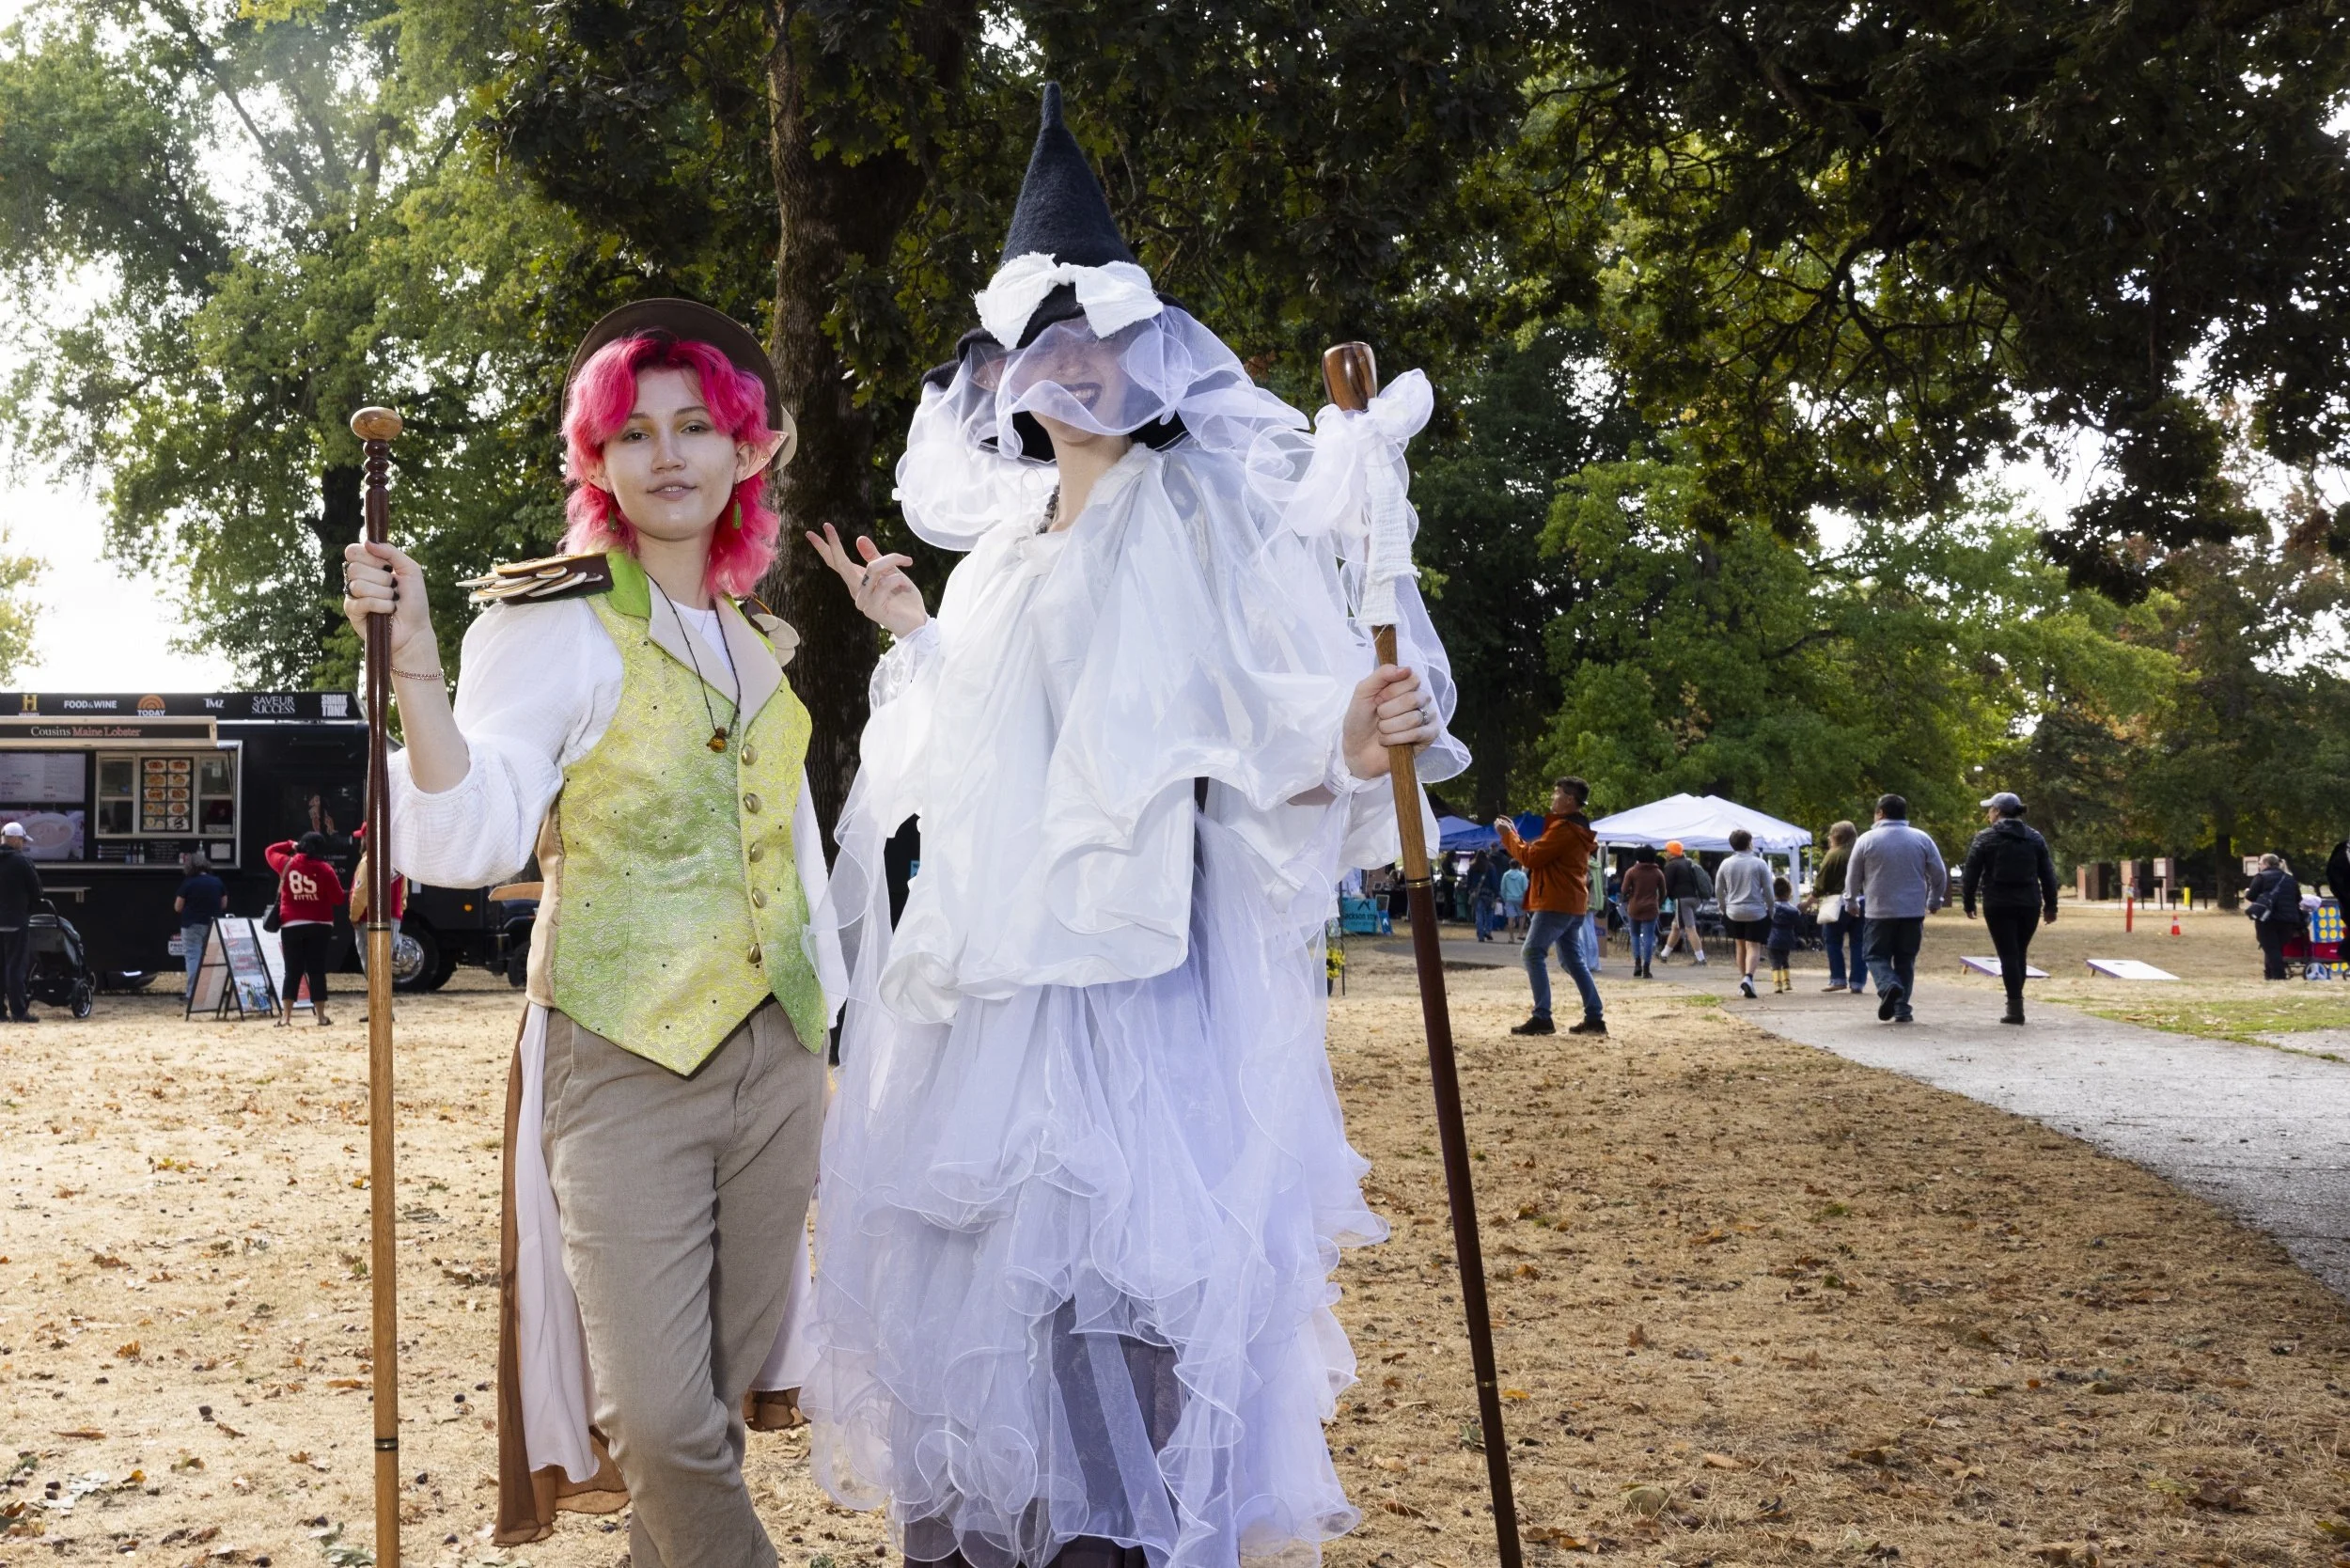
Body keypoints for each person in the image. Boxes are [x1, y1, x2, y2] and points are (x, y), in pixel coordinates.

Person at [798, 84, 1461, 1568]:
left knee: (1123, 1302)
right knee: (992, 1312)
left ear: (1146, 353)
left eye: (1094, 337)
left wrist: (1353, 731)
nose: (1069, 366)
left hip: (1134, 996)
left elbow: (1251, 703)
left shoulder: (1195, 506)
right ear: (1006, 374)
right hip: (989, 1001)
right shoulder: (1002, 562)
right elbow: (973, 753)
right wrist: (913, 629)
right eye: (1043, 344)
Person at [347, 297, 841, 1558]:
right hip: (619, 1061)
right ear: (596, 461)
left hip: (780, 1062)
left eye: (696, 426)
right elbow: (477, 832)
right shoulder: (551, 618)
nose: (667, 454)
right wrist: (415, 667)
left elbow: (800, 870)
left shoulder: (763, 643)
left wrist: (834, 1023)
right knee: (664, 1426)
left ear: (753, 449)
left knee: (709, 1425)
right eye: (632, 433)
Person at [1495, 776, 1605, 1036]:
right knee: (1572, 960)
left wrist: (1507, 836)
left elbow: (1531, 858)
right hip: (1573, 901)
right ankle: (1594, 1017)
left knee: (1532, 953)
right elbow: (1540, 853)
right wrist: (1514, 835)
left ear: (1569, 799)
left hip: (1555, 901)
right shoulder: (1577, 830)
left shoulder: (1564, 829)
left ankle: (1543, 1016)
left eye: (1556, 793)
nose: (1552, 798)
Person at [1845, 793, 1947, 1023]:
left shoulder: (1867, 840)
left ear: (1881, 813)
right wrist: (1934, 899)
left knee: (1873, 954)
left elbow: (1853, 875)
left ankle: (1888, 985)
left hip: (1879, 910)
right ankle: (1902, 1009)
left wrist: (1851, 901)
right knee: (1905, 959)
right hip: (1912, 910)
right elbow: (1939, 872)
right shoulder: (1921, 838)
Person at [1960, 791, 2060, 1024]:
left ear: (1996, 812)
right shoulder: (2035, 838)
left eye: (1989, 810)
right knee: (2019, 952)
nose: (1988, 815)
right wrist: (2051, 905)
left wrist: (1968, 902)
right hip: (2029, 903)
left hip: (1998, 902)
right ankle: (2015, 1003)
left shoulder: (1985, 838)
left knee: (2008, 954)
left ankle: (2015, 1008)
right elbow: (2048, 874)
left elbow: (1971, 874)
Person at [263, 831, 344, 1027]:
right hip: (320, 924)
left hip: (291, 923)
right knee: (316, 970)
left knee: (292, 971)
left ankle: (286, 1017)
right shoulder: (325, 869)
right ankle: (321, 1016)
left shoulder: (286, 864)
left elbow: (269, 850)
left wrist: (291, 843)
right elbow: (338, 899)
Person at [1714, 827, 1773, 998]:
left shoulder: (1726, 864)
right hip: (1756, 911)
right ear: (1749, 843)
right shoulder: (1759, 863)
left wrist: (1722, 908)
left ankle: (1743, 981)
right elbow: (1768, 891)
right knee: (1753, 946)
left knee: (1740, 946)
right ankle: (1749, 977)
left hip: (1734, 911)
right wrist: (1771, 909)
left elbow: (1719, 889)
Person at [1809, 820, 1865, 995]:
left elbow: (1821, 884)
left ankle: (1838, 979)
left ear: (1837, 837)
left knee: (1833, 941)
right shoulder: (1862, 853)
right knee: (1859, 943)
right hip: (1863, 901)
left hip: (1838, 903)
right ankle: (1857, 982)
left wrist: (1807, 903)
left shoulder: (1834, 855)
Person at [0, 823, 42, 1023]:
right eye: (23, 840)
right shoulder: (22, 862)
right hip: (15, 921)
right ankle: (18, 1011)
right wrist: (28, 909)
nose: (24, 844)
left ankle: (0, 1012)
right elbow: (37, 891)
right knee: (15, 967)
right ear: (15, 839)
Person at [174, 853, 227, 1004]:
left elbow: (178, 907)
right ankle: (212, 992)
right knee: (210, 959)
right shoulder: (217, 882)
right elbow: (224, 904)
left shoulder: (188, 883)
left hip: (191, 925)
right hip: (212, 925)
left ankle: (193, 993)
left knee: (193, 958)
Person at [2246, 853, 2307, 980]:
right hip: (2289, 919)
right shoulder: (2289, 878)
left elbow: (2251, 896)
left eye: (2260, 863)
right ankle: (2269, 975)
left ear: (2266, 864)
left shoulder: (2261, 877)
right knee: (2276, 948)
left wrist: (2250, 893)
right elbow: (2298, 898)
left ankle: (2279, 977)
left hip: (2268, 918)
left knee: (2271, 948)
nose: (2259, 866)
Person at [1661, 840, 1712, 964]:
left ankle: (1701, 958)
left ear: (1671, 852)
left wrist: (1660, 901)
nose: (1666, 853)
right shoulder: (1689, 863)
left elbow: (1666, 886)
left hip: (1682, 899)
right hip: (1695, 898)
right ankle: (1664, 954)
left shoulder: (1672, 866)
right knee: (1676, 926)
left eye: (1667, 851)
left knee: (1690, 928)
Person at [1621, 845, 1666, 978]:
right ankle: (1647, 967)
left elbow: (1623, 890)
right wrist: (1658, 902)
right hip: (1651, 908)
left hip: (1634, 907)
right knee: (1648, 937)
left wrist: (1630, 895)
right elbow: (1663, 892)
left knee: (1634, 935)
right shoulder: (1658, 873)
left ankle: (1637, 963)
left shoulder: (1632, 872)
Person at [1766, 875, 1802, 993]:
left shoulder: (1770, 908)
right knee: (1785, 959)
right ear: (1789, 892)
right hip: (1787, 938)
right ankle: (1787, 982)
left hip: (1773, 938)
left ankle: (1777, 984)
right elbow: (1797, 922)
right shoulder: (1793, 910)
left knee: (1775, 962)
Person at [1466, 849, 1501, 941]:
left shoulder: (1473, 867)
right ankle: (1488, 931)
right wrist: (1496, 893)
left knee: (1479, 914)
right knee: (1489, 913)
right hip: (1489, 894)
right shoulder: (1491, 867)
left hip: (1477, 893)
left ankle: (1480, 935)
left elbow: (1469, 881)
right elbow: (1494, 881)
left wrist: (1470, 890)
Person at [1499, 857, 1528, 936]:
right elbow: (1525, 888)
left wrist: (1505, 898)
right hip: (1520, 898)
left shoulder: (1506, 875)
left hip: (1509, 898)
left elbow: (1503, 888)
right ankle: (1520, 934)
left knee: (1510, 917)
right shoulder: (1522, 875)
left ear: (1510, 865)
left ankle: (1511, 937)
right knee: (1522, 916)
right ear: (1518, 865)